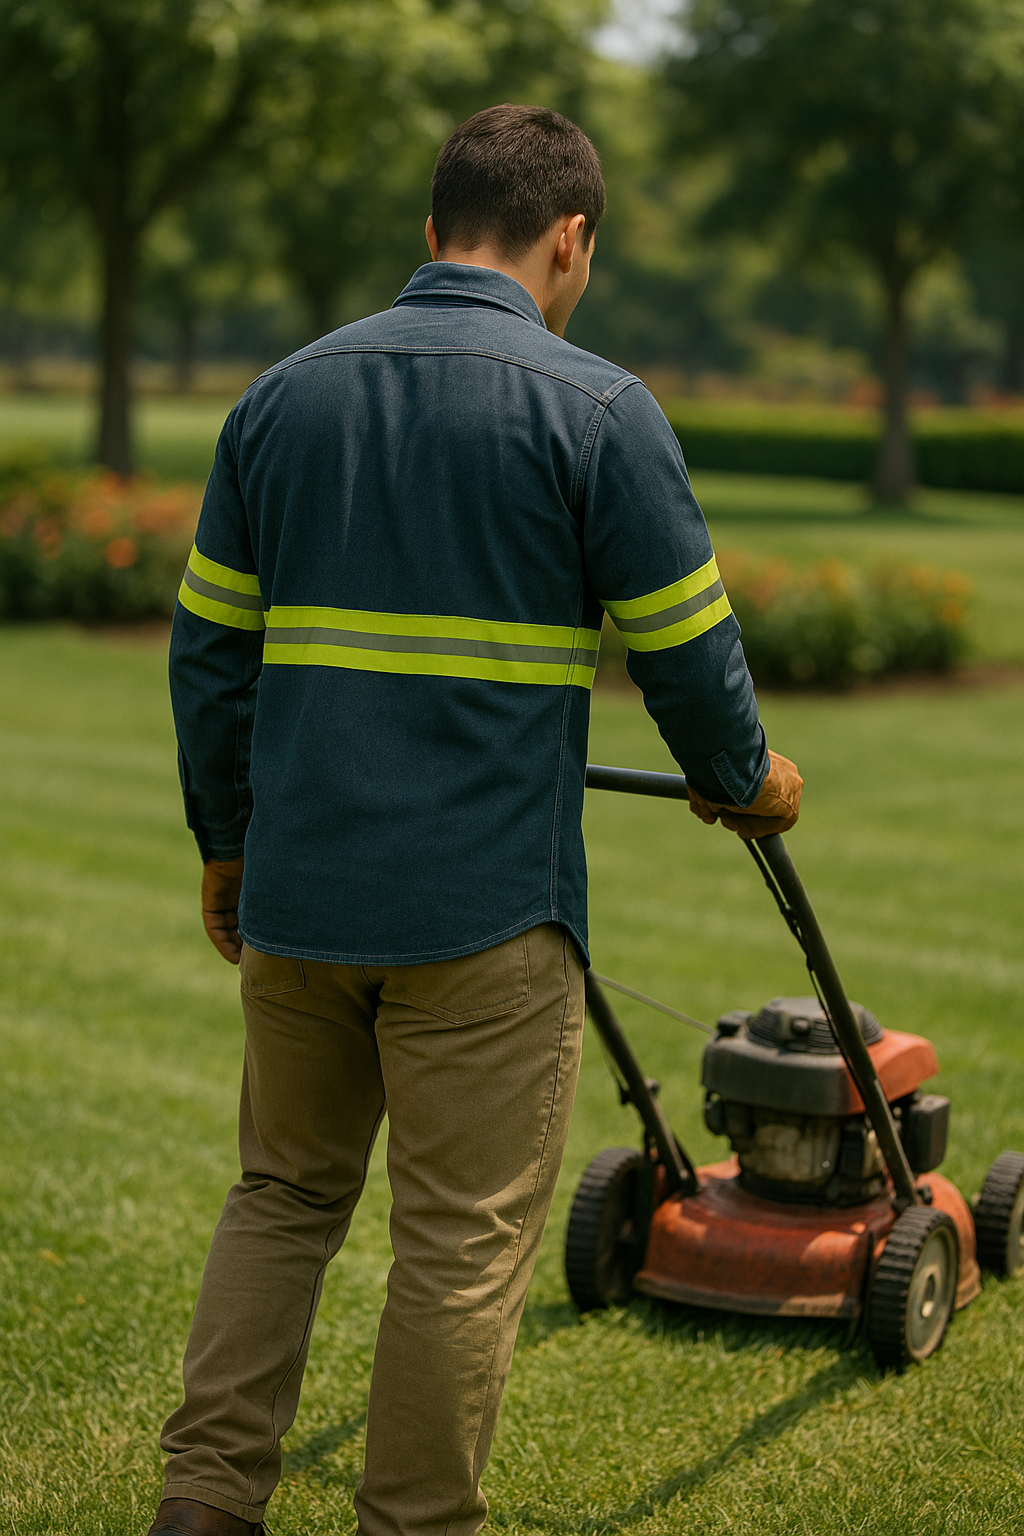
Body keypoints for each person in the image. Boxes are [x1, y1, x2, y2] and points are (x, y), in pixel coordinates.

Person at [150, 102, 802, 1536]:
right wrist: (750, 780)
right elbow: (689, 659)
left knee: (280, 1198)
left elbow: (208, 655)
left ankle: (203, 1508)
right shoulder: (599, 411)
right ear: (570, 239)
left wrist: (226, 840)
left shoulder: (279, 400)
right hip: (483, 917)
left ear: (431, 228)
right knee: (457, 1248)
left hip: (300, 904)